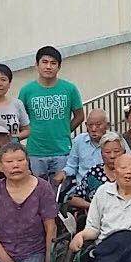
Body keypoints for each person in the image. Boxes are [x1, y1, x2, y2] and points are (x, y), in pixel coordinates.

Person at [18, 46, 84, 182]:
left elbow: (79, 116)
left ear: (59, 67)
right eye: (44, 62)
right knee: (36, 188)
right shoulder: (27, 91)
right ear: (36, 65)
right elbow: (20, 119)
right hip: (35, 151)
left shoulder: (69, 89)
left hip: (62, 150)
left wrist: (65, 130)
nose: (48, 67)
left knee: (61, 190)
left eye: (53, 63)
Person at [68, 132, 128, 212]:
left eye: (116, 151)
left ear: (124, 152)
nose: (112, 156)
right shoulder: (94, 173)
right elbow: (72, 199)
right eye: (107, 152)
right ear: (101, 154)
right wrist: (93, 206)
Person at [55, 108, 113, 186]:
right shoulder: (79, 141)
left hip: (107, 186)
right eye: (90, 125)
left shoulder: (114, 141)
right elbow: (72, 166)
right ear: (86, 125)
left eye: (98, 125)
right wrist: (64, 172)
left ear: (107, 125)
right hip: (82, 187)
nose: (93, 129)